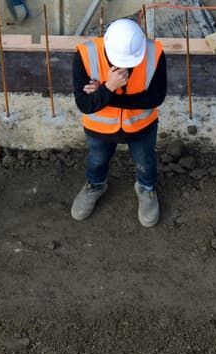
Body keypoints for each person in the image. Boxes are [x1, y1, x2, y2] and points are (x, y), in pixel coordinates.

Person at [71, 18, 166, 228]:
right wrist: (109, 87)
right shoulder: (86, 55)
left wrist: (107, 94)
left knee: (145, 162)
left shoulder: (154, 52)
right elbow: (85, 104)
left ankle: (146, 188)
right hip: (99, 130)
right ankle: (95, 185)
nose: (124, 65)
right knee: (97, 160)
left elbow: (155, 97)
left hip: (141, 127)